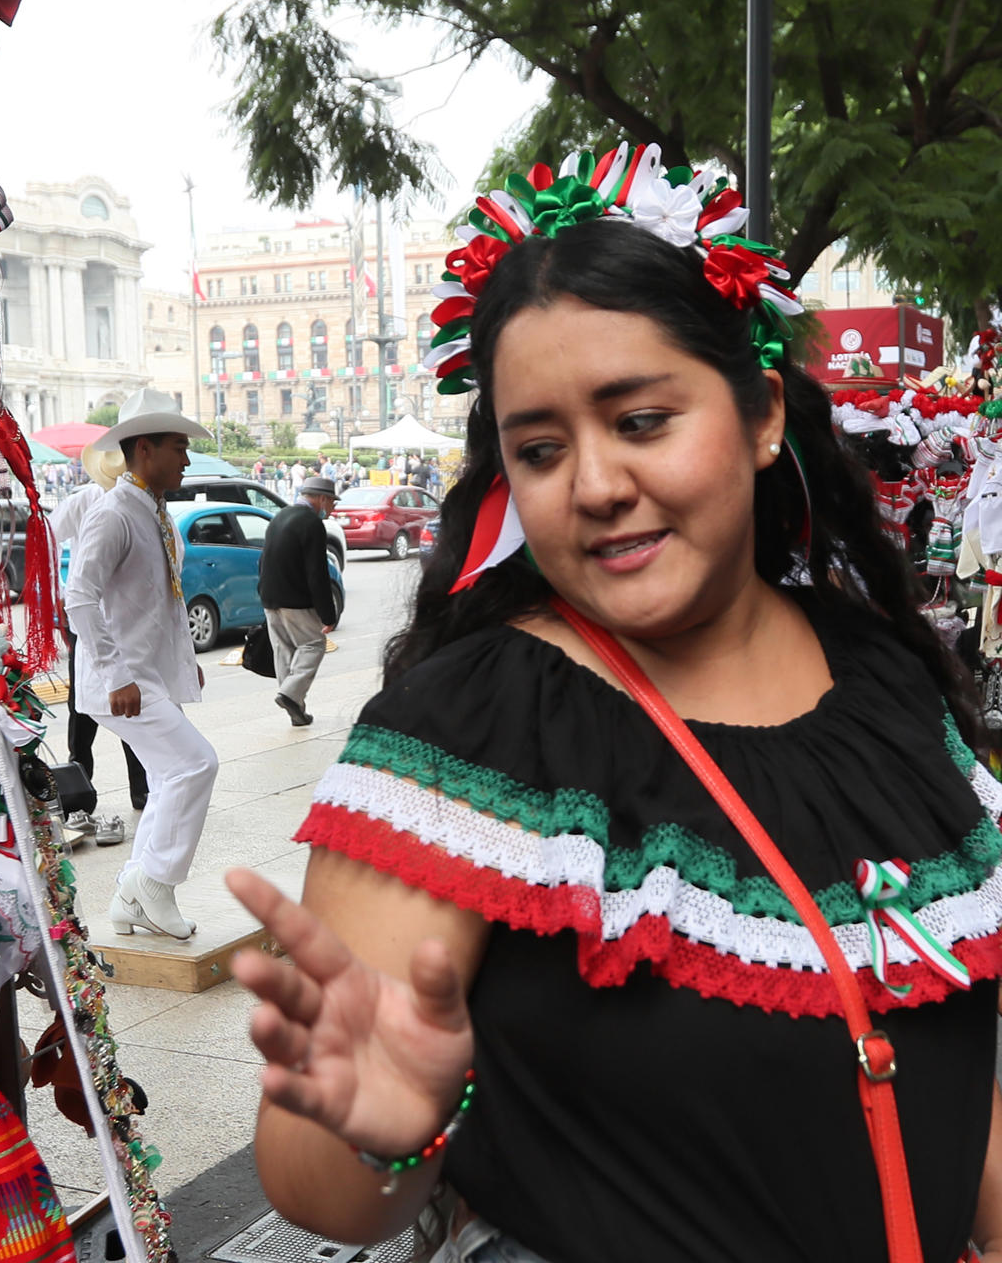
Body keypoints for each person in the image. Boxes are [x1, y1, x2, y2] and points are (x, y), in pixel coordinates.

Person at [227, 151, 1002, 1263]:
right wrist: (387, 1125)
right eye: (540, 448)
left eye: (640, 420)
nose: (592, 484)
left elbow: (958, 1083)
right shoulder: (456, 740)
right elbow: (324, 1192)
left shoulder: (883, 680)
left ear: (764, 414)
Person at [66, 387, 220, 941]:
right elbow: (79, 596)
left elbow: (161, 601)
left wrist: (184, 661)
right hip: (121, 683)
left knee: (168, 775)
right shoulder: (112, 513)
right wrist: (117, 675)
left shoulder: (152, 513)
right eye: (178, 446)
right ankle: (153, 885)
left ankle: (133, 891)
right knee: (195, 764)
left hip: (147, 676)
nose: (185, 457)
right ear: (145, 448)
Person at [51, 443, 149, 817]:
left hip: (126, 625)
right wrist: (60, 591)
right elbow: (48, 535)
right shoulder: (86, 500)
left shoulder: (141, 505)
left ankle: (141, 791)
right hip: (89, 623)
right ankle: (79, 787)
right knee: (82, 712)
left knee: (133, 713)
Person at [259, 475, 340, 726]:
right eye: (332, 503)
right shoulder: (312, 524)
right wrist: (328, 615)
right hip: (296, 598)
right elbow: (317, 573)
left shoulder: (280, 517)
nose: (333, 508)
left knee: (284, 650)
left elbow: (263, 560)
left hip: (270, 596)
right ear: (322, 499)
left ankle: (296, 708)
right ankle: (290, 694)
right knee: (313, 644)